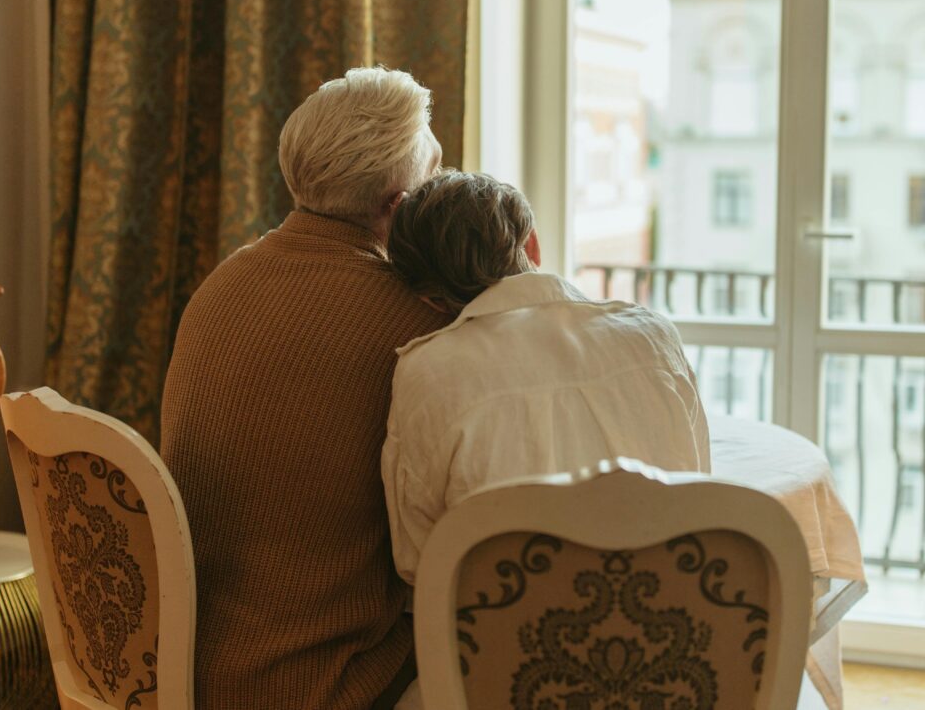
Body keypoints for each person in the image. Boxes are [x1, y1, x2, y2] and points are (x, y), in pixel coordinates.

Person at [160, 67, 449, 709]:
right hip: (319, 686)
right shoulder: (417, 324)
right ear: (400, 208)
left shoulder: (222, 284)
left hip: (187, 670)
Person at [381, 170, 710, 590]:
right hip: (669, 617)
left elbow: (417, 558)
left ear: (428, 298)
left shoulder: (428, 371)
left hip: (512, 640)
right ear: (532, 245)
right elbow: (698, 483)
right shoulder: (653, 335)